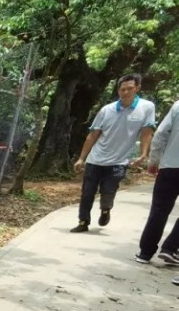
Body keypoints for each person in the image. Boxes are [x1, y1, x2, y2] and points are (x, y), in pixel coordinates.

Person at [71, 74, 156, 233]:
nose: (125, 92)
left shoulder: (147, 107)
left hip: (119, 161)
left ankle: (105, 209)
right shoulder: (106, 110)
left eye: (129, 88)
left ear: (137, 88)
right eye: (122, 89)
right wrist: (81, 158)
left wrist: (144, 154)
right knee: (87, 192)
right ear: (118, 91)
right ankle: (83, 221)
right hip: (95, 159)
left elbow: (147, 132)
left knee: (108, 191)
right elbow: (93, 135)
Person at [136, 100, 179, 266]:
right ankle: (170, 248)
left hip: (169, 167)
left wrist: (153, 160)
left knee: (159, 210)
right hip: (169, 165)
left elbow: (161, 133)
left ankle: (145, 253)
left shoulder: (177, 106)